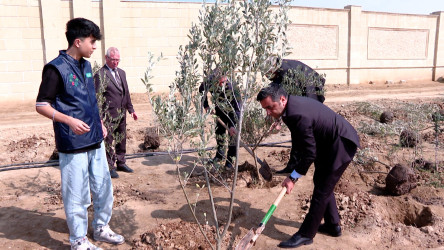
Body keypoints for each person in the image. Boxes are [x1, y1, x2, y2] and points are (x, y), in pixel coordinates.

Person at [35, 18, 124, 249]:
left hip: (95, 139)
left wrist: (100, 123)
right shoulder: (55, 69)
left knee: (104, 187)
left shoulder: (86, 66)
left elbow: (90, 101)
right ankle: (78, 240)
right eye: (92, 41)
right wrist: (69, 121)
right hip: (73, 143)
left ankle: (102, 227)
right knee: (77, 194)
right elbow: (42, 105)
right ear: (78, 41)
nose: (95, 46)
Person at [256, 83, 360, 248]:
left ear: (282, 99)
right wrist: (293, 172)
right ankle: (333, 225)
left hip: (341, 144)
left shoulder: (297, 114)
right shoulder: (290, 107)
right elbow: (302, 144)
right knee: (321, 182)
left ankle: (306, 234)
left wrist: (292, 178)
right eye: (265, 109)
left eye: (270, 107)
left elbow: (309, 153)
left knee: (321, 191)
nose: (268, 112)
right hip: (328, 143)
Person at [94, 47, 137, 178]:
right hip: (108, 115)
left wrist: (131, 109)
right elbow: (98, 98)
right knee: (108, 139)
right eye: (113, 60)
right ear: (106, 58)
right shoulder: (100, 74)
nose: (116, 63)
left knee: (122, 138)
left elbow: (126, 92)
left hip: (121, 113)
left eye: (118, 60)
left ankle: (121, 162)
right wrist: (100, 117)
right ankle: (110, 165)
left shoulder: (122, 73)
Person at [199, 70, 240, 169]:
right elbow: (201, 90)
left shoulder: (232, 87)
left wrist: (232, 126)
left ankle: (230, 160)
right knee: (219, 132)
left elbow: (238, 107)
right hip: (219, 108)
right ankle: (220, 155)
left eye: (224, 82)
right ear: (215, 80)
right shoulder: (209, 81)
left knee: (232, 137)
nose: (222, 84)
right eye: (220, 82)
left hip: (232, 111)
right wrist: (206, 106)